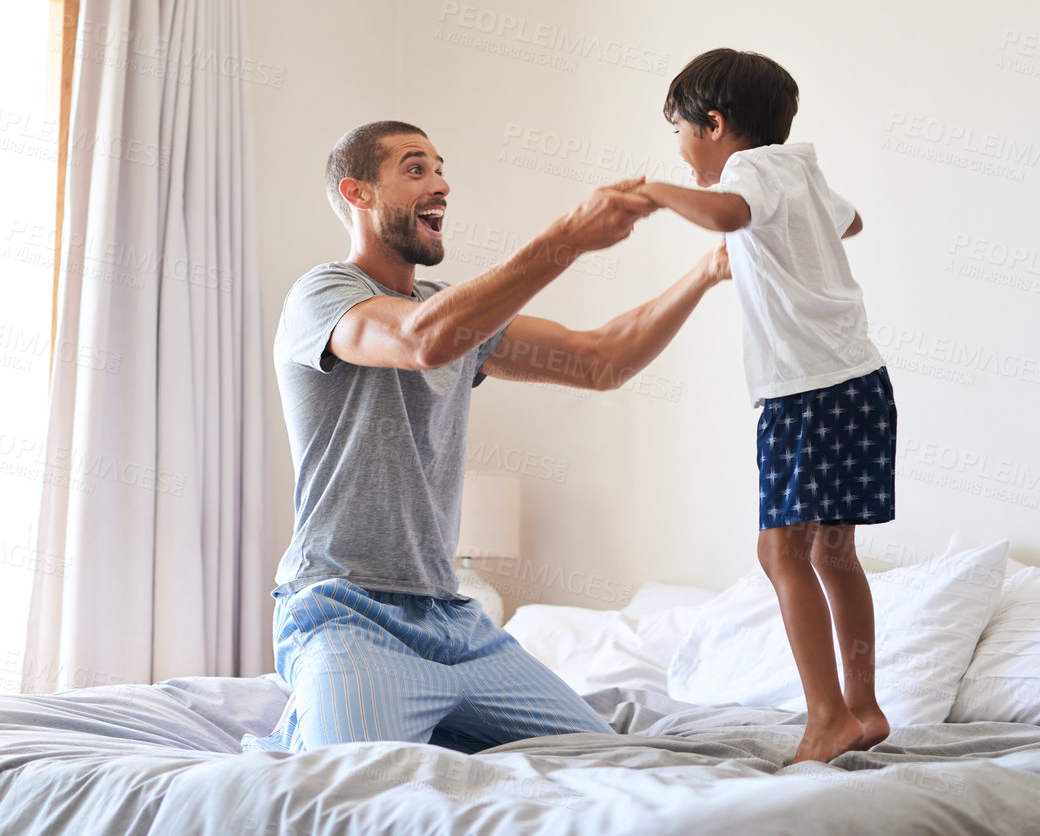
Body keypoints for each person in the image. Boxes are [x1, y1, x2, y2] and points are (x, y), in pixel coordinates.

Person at [242, 120, 729, 755]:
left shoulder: (456, 312)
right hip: (346, 610)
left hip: (455, 623)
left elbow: (600, 360)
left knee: (616, 760)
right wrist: (568, 238)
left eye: (441, 169)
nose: (441, 183)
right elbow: (422, 340)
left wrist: (711, 268)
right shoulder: (324, 294)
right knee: (352, 782)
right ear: (356, 193)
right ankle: (300, 736)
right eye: (415, 169)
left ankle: (431, 721)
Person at [637, 48, 895, 764]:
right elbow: (851, 224)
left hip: (802, 389)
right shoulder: (798, 166)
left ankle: (825, 716)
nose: (682, 153)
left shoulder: (746, 171)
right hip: (861, 380)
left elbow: (728, 207)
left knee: (778, 549)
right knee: (836, 552)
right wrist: (764, 249)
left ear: (713, 124)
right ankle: (864, 705)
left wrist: (656, 193)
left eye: (681, 134)